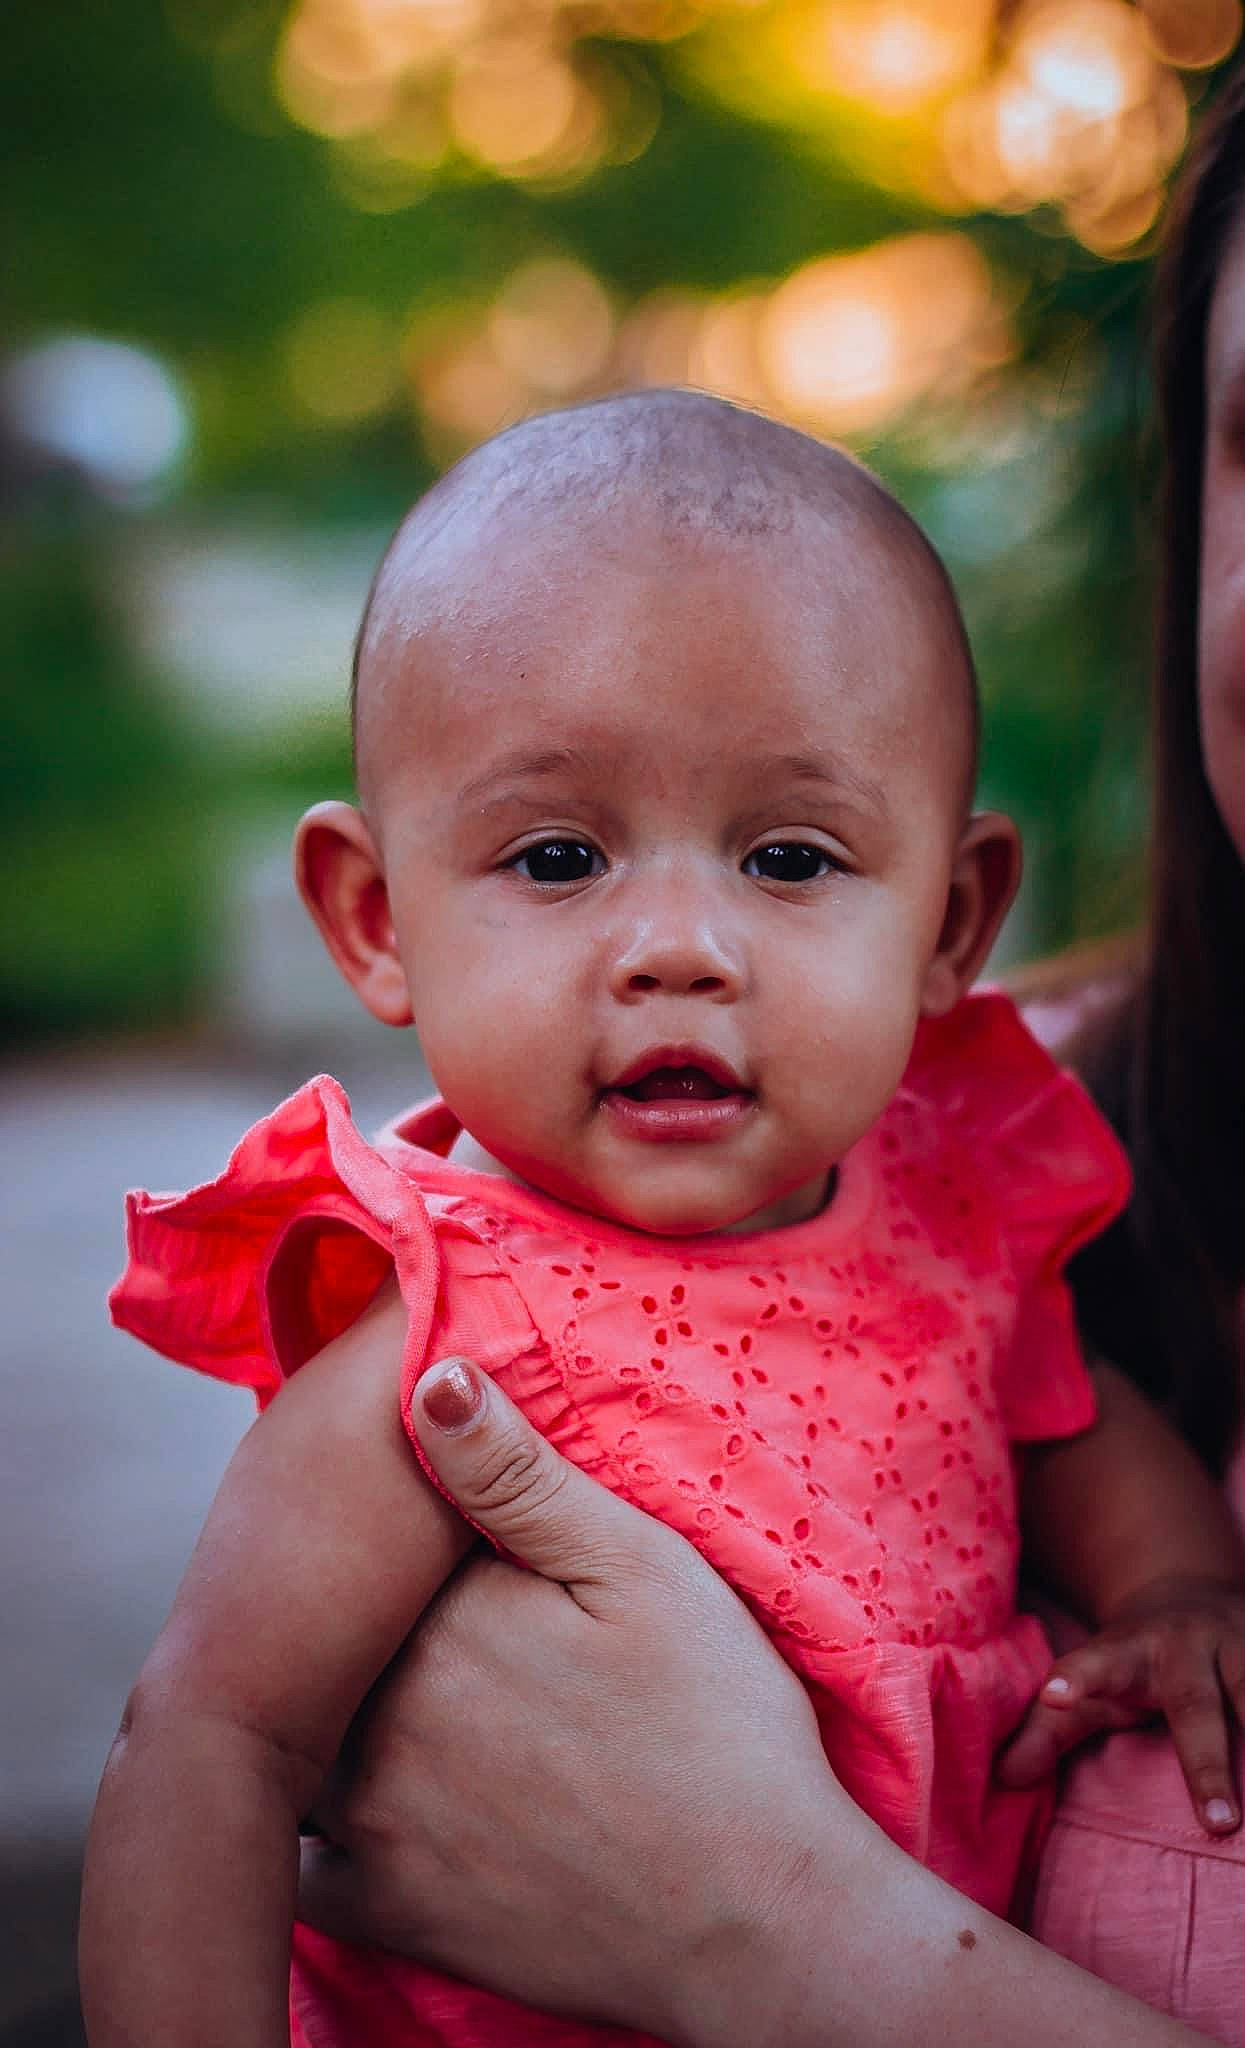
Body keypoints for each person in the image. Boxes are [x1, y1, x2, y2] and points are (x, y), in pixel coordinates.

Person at [81, 392, 1245, 2048]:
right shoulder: (446, 1322)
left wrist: (1174, 1595)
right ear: (373, 916)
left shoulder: (948, 1216)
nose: (679, 946)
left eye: (787, 856)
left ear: (951, 922)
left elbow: (1064, 1429)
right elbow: (210, 1741)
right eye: (559, 857)